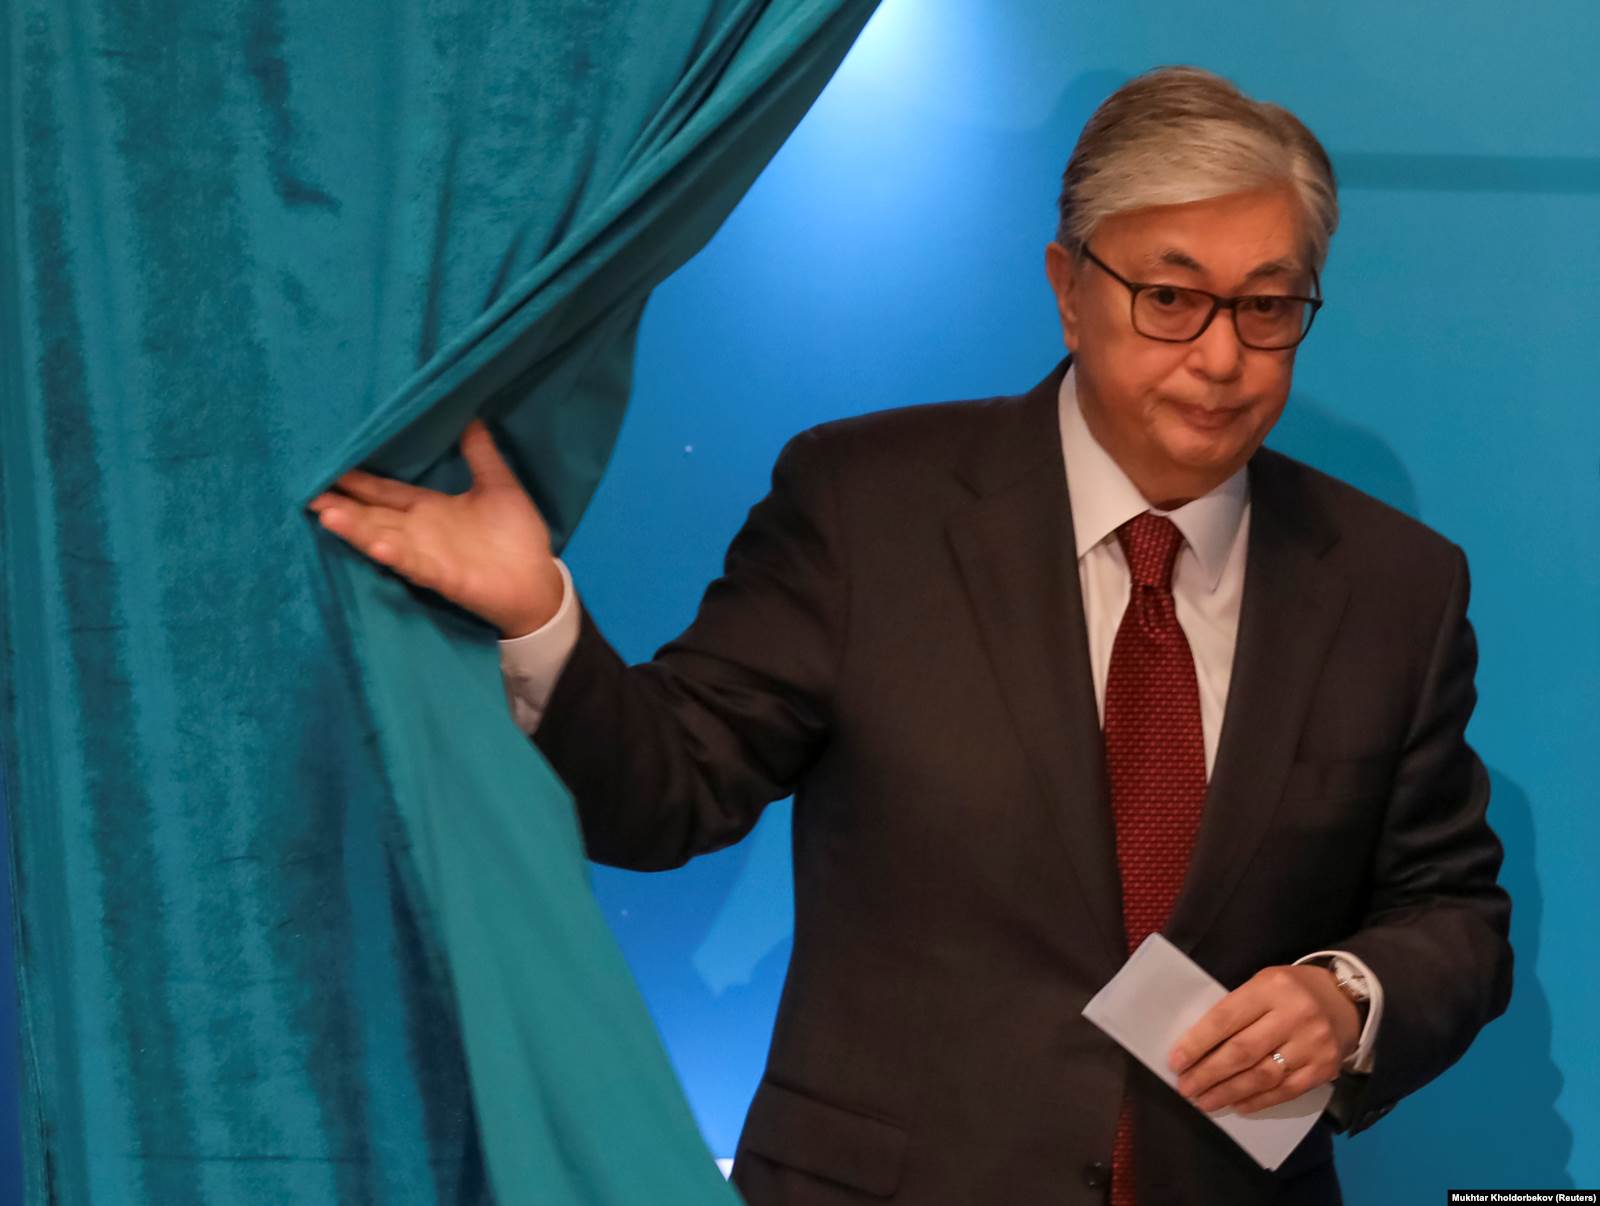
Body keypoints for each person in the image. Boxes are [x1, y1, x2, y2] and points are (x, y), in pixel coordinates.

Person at [310, 66, 1512, 1206]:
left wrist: (1349, 999)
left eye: (1267, 307)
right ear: (1068, 287)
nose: (1219, 357)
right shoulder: (866, 507)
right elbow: (666, 793)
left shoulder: (1392, 583)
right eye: (1170, 297)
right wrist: (534, 613)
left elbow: (1451, 909)